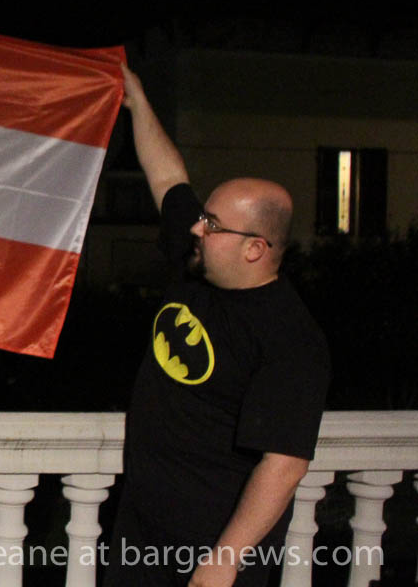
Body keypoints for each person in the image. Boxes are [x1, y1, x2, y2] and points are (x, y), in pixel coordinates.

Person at [105, 65, 330, 587]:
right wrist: (138, 101)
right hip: (141, 535)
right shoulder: (195, 263)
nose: (195, 227)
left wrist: (225, 560)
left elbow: (285, 463)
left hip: (210, 550)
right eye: (203, 217)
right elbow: (168, 179)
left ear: (256, 248)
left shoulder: (291, 339)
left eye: (211, 224)